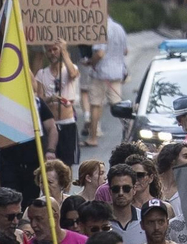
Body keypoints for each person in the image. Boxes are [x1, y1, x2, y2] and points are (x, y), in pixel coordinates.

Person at [84, 13, 129, 147]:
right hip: (117, 72)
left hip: (101, 73)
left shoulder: (100, 28)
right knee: (120, 106)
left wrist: (91, 62)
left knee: (95, 104)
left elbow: (100, 53)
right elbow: (126, 51)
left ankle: (93, 137)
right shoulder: (119, 28)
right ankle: (129, 133)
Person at [34, 42, 80, 167]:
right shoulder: (42, 74)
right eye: (49, 50)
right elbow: (39, 98)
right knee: (50, 162)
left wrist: (64, 51)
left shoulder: (70, 69)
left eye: (55, 49)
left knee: (67, 163)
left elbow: (73, 74)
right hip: (50, 124)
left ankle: (66, 186)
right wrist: (51, 99)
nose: (52, 53)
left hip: (67, 123)